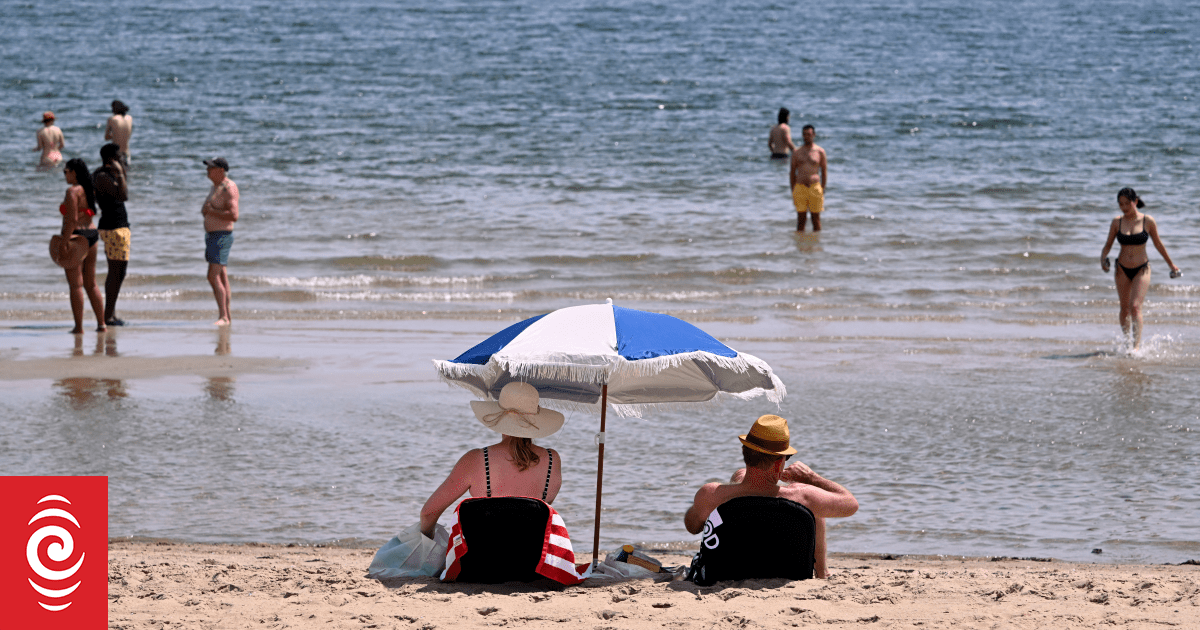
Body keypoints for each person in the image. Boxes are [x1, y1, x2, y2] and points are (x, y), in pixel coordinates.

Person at [684, 414, 858, 578]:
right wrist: (811, 478)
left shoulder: (711, 494)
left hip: (728, 572)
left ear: (745, 452)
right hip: (786, 572)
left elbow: (692, 527)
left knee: (739, 476)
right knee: (815, 509)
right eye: (786, 458)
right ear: (778, 464)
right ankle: (823, 573)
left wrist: (732, 492)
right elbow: (851, 504)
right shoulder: (804, 497)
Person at [420, 382, 564, 539]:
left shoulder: (476, 459)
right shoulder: (552, 460)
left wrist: (428, 542)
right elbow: (537, 512)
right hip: (534, 559)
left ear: (498, 416)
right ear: (536, 419)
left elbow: (428, 514)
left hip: (483, 560)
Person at [1099, 187, 1181, 349]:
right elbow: (1108, 245)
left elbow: (1158, 244)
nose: (1123, 208)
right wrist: (1103, 259)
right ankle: (1127, 343)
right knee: (1124, 309)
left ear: (1135, 201)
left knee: (1135, 307)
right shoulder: (1117, 222)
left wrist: (1171, 264)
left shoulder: (1147, 221)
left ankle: (1136, 347)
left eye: (1126, 204)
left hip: (1142, 268)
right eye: (1120, 204)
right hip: (1122, 269)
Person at [58, 158, 107, 334]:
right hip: (92, 235)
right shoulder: (88, 189)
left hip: (77, 237)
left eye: (66, 171)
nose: (64, 174)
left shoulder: (72, 191)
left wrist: (64, 242)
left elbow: (72, 220)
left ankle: (79, 327)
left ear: (74, 173)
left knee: (75, 285)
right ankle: (102, 324)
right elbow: (88, 213)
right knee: (91, 283)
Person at [94, 143, 131, 326]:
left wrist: (120, 172)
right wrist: (121, 173)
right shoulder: (102, 176)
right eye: (120, 157)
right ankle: (108, 315)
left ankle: (111, 313)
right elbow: (123, 196)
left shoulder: (107, 174)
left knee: (118, 272)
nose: (123, 160)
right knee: (117, 272)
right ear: (111, 159)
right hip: (113, 228)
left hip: (117, 227)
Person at [201, 157, 239, 326]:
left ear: (221, 170)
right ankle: (227, 316)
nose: (207, 170)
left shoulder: (229, 188)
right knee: (221, 276)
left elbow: (233, 215)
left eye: (211, 167)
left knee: (212, 275)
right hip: (212, 235)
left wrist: (212, 212)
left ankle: (223, 316)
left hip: (222, 235)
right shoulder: (215, 187)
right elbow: (209, 210)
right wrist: (207, 211)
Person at [790, 124, 828, 231]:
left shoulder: (820, 152)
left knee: (816, 219)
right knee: (801, 220)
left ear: (814, 135)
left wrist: (822, 188)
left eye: (809, 134)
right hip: (800, 187)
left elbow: (824, 171)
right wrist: (793, 189)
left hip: (814, 187)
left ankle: (816, 245)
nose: (806, 137)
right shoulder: (797, 152)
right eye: (804, 134)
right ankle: (800, 246)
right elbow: (792, 172)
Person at [104, 100, 133, 169]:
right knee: (125, 174)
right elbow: (128, 133)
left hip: (116, 153)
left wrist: (114, 135)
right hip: (126, 153)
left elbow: (106, 137)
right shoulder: (129, 118)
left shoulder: (112, 119)